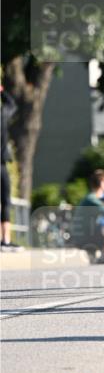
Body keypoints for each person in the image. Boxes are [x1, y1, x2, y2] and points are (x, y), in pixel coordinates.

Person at [1, 85, 22, 251]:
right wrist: (1, 90)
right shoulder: (2, 115)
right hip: (1, 165)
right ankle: (5, 240)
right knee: (5, 202)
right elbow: (12, 104)